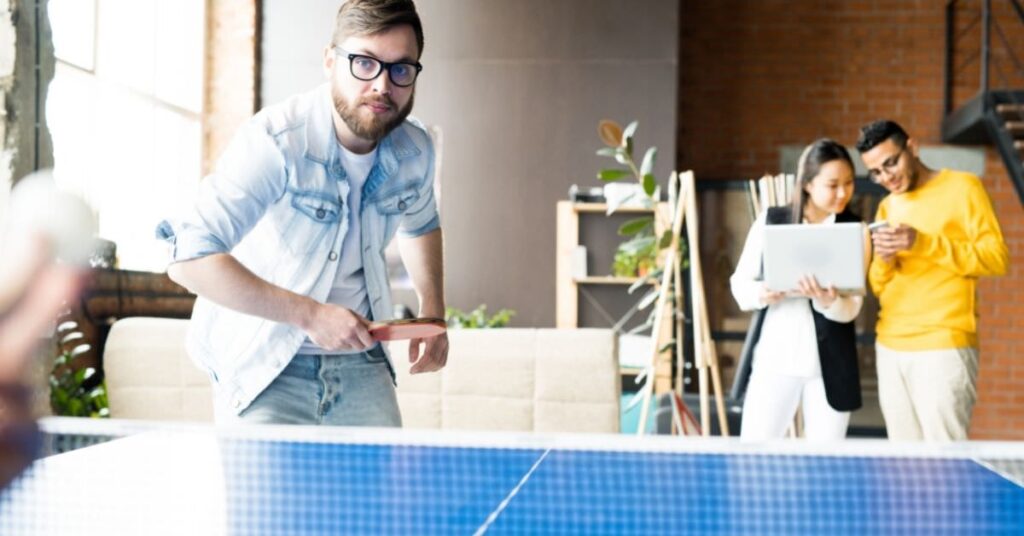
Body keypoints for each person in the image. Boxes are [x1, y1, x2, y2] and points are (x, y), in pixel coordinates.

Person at [159, 0, 446, 426]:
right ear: (330, 60)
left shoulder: (415, 149)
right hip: (266, 364)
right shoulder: (275, 142)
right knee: (267, 498)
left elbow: (421, 224)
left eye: (400, 69)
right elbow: (188, 260)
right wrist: (311, 315)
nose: (383, 85)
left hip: (362, 363)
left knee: (377, 496)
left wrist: (434, 311)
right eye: (364, 63)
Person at [856, 119, 1008, 442]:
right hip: (890, 348)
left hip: (943, 346)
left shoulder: (964, 187)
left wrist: (922, 243)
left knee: (945, 466)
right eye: (876, 172)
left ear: (912, 147)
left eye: (891, 162)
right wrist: (883, 260)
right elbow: (880, 285)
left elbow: (996, 258)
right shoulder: (886, 206)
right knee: (905, 466)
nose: (886, 177)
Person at [731, 139, 867, 441]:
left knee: (826, 466)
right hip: (774, 361)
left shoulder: (856, 229)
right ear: (807, 184)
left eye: (848, 183)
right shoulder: (771, 220)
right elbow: (740, 285)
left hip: (831, 366)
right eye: (832, 185)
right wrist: (763, 292)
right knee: (755, 458)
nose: (843, 193)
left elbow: (854, 306)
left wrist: (829, 301)